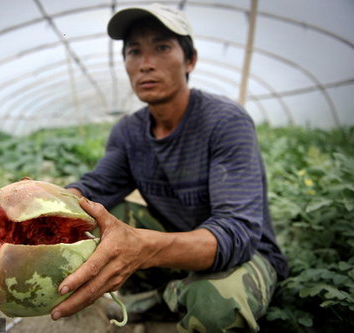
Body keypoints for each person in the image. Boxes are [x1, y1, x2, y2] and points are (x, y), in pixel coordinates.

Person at [51, 3, 288, 332]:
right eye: (134, 51)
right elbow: (96, 188)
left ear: (190, 60)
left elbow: (237, 233)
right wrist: (40, 203)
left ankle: (169, 295)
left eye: (161, 48)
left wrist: (145, 248)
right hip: (178, 244)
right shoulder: (129, 131)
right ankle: (171, 292)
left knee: (215, 306)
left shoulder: (224, 121)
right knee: (105, 211)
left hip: (246, 254)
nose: (146, 64)